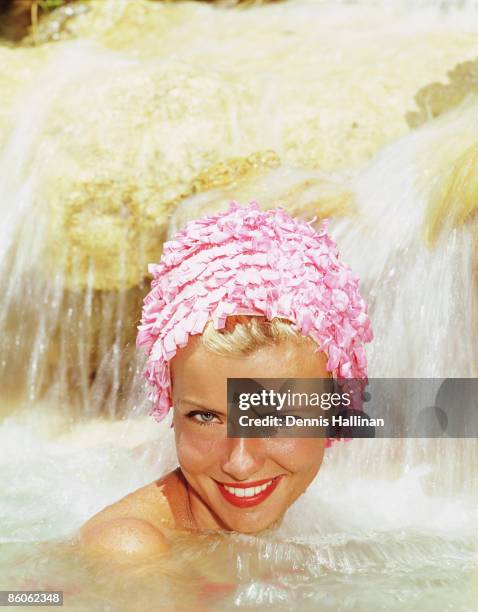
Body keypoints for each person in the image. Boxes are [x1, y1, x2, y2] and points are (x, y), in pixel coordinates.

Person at [79, 202, 372, 559]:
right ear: (170, 400)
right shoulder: (133, 552)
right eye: (205, 417)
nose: (240, 463)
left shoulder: (309, 522)